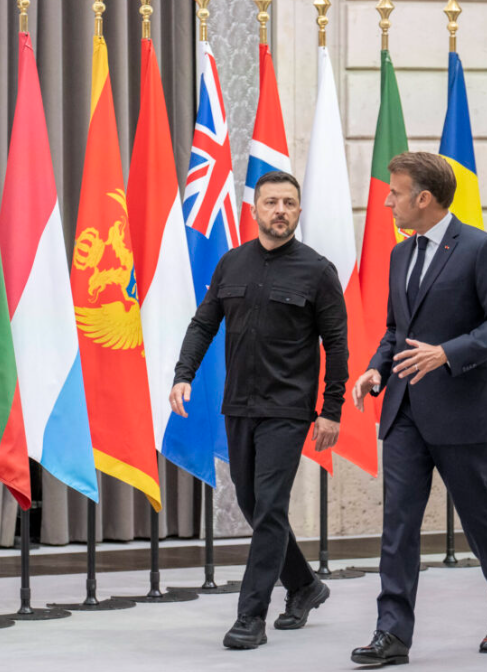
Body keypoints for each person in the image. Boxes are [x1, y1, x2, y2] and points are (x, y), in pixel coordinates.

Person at [350, 152, 487, 666]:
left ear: (423, 198)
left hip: (461, 410)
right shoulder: (399, 255)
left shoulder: (480, 248)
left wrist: (447, 354)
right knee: (398, 522)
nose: (388, 201)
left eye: (395, 192)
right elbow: (395, 330)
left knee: (478, 516)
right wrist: (377, 368)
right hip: (403, 409)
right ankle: (392, 634)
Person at [170, 170, 347, 650]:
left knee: (270, 507)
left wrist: (331, 410)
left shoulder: (317, 270)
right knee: (253, 505)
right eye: (272, 202)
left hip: (288, 409)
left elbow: (336, 343)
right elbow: (204, 323)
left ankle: (250, 617)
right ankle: (306, 586)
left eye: (289, 203)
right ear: (255, 210)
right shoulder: (232, 263)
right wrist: (183, 374)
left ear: (298, 211)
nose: (281, 211)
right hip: (239, 406)